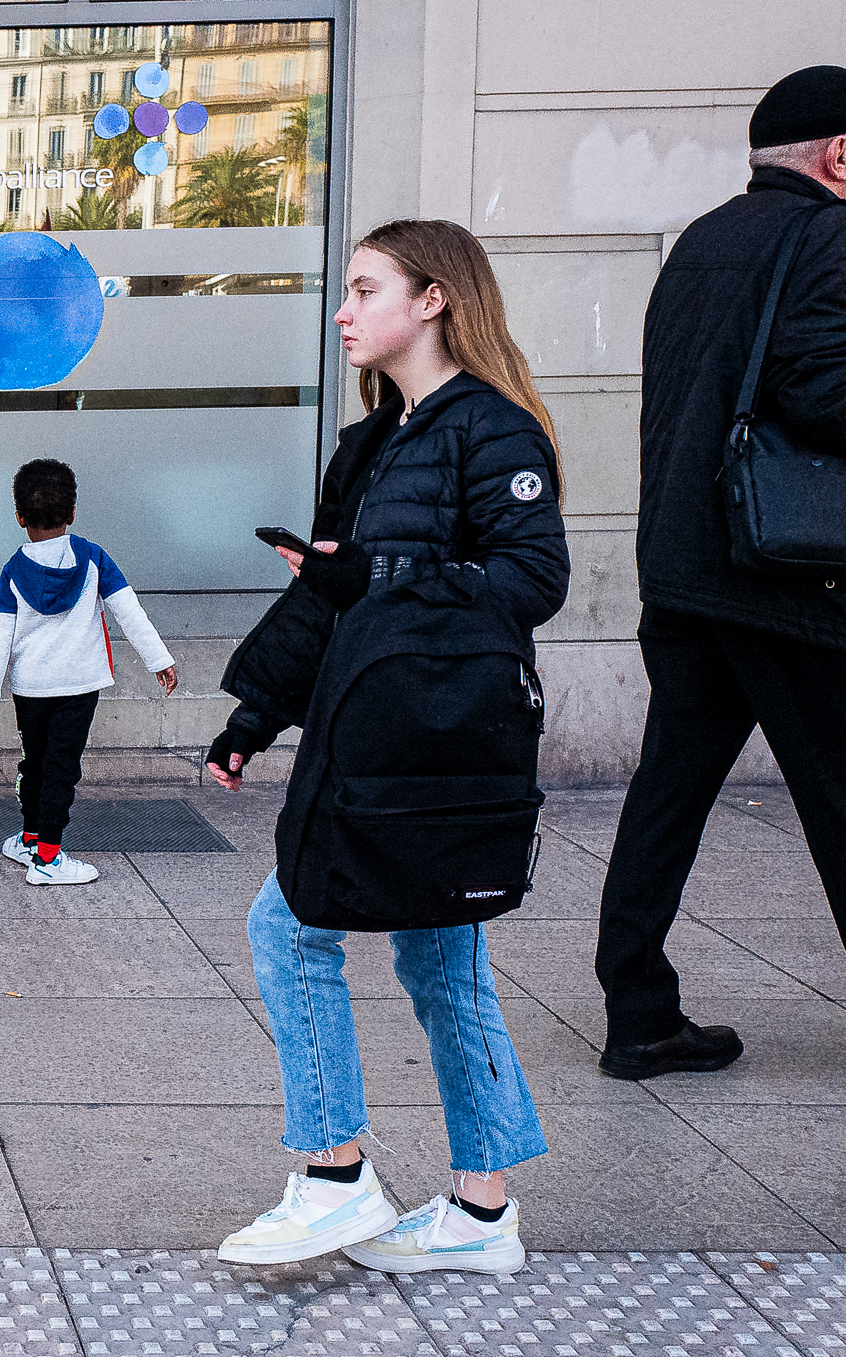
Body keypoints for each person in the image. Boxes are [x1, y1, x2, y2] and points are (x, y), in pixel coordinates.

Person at [594, 65, 846, 1081]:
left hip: (692, 570)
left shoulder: (703, 240)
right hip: (794, 580)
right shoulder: (826, 237)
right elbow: (820, 389)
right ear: (833, 156)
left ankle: (638, 1012)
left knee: (668, 793)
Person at [206, 220, 568, 1275]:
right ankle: (480, 1212)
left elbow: (529, 581)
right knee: (440, 961)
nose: (342, 310)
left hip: (442, 744)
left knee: (288, 929)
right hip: (378, 738)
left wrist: (384, 577)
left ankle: (333, 1177)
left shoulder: (490, 432)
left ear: (432, 300)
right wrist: (250, 717)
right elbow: (330, 600)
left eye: (363, 288)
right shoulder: (371, 442)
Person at [0, 459, 177, 885]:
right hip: (80, 685)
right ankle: (48, 860)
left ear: (19, 517)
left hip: (30, 688)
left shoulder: (13, 570)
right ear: (73, 512)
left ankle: (30, 840)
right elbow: (128, 612)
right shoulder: (93, 558)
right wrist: (159, 659)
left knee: (35, 763)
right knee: (62, 767)